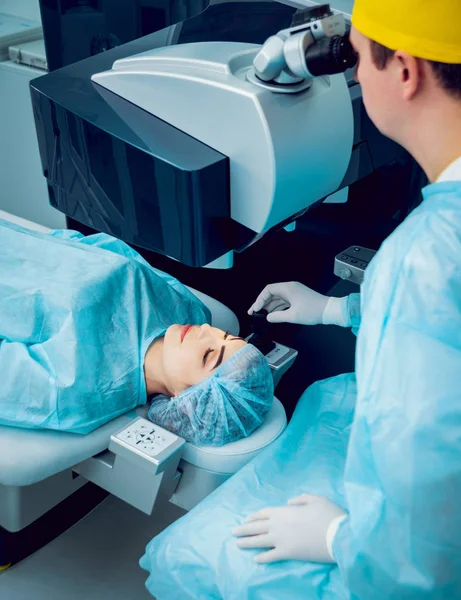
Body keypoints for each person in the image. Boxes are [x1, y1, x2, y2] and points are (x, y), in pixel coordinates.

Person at [140, 0, 461, 597]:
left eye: (358, 57)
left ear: (407, 72)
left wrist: (341, 536)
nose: (355, 77)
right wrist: (337, 309)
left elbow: (419, 557)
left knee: (183, 559)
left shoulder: (426, 259)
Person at [0, 218, 273, 444]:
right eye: (224, 335)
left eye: (208, 355)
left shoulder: (71, 393)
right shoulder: (191, 311)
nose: (205, 331)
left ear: (188, 400)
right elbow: (97, 248)